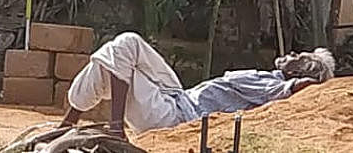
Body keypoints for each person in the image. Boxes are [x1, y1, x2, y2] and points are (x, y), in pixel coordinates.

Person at [60, 32, 335, 138]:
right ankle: (70, 124)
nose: (290, 55)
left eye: (298, 57)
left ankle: (108, 127)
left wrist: (315, 80)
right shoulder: (267, 78)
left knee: (125, 45)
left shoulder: (271, 81)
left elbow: (295, 89)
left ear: (299, 69)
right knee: (113, 57)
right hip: (175, 98)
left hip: (175, 116)